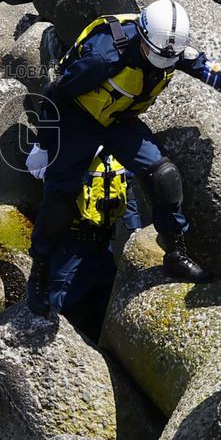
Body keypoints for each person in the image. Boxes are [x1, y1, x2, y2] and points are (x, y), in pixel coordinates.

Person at [26, 0, 221, 299]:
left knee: (164, 175)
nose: (162, 62)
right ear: (142, 38)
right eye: (155, 55)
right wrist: (43, 144)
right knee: (60, 197)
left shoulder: (171, 49)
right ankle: (40, 267)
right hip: (78, 120)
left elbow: (218, 73)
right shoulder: (103, 58)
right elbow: (56, 94)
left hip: (120, 120)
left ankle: (176, 252)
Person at [26, 144, 142, 340]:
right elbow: (35, 168)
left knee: (104, 303)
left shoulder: (118, 145)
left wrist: (135, 229)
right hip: (69, 247)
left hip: (103, 247)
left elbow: (126, 187)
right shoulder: (66, 148)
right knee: (60, 306)